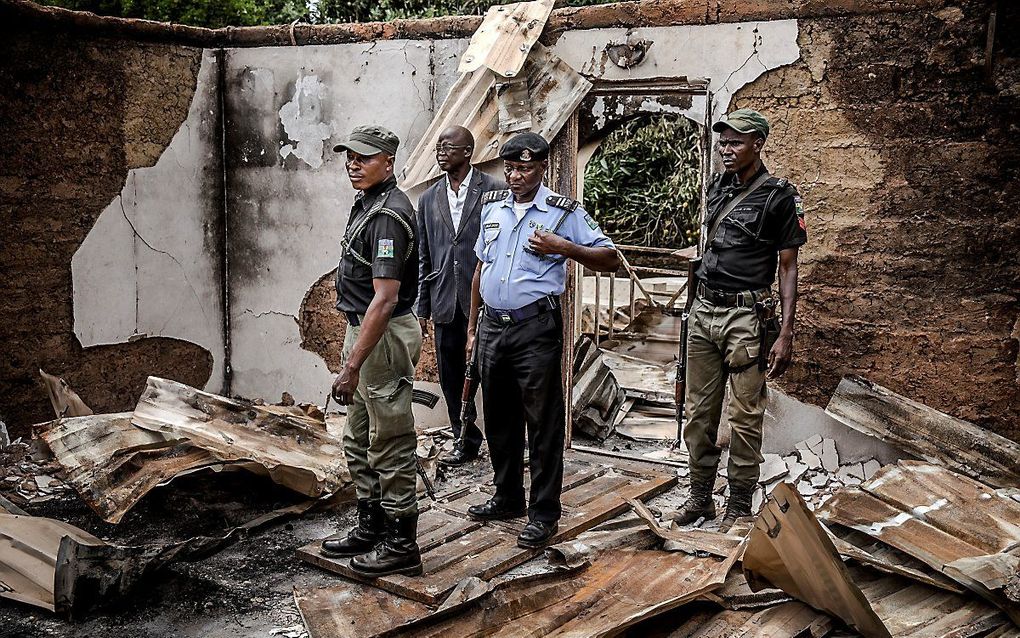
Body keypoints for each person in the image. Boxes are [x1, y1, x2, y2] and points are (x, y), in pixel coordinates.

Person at [465, 132, 620, 549]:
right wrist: (473, 327)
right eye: (510, 168)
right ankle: (507, 497)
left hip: (535, 330)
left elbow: (611, 258)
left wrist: (564, 247)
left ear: (542, 168)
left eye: (525, 168)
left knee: (543, 423)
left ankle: (544, 513)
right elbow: (481, 267)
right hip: (493, 327)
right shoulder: (493, 209)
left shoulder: (562, 212)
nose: (515, 176)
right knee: (498, 418)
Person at [676, 108, 807, 533]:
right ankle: (700, 498)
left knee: (745, 415)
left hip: (746, 317)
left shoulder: (779, 197)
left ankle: (737, 504)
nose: (726, 149)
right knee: (698, 413)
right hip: (704, 312)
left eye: (736, 142)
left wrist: (785, 332)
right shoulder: (716, 188)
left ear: (758, 145)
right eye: (723, 142)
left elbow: (788, 267)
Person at [319, 125, 424, 577]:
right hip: (363, 331)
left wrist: (353, 364)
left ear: (388, 161)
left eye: (364, 158)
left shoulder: (389, 215)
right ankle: (372, 524)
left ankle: (402, 543)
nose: (353, 165)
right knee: (358, 436)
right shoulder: (368, 204)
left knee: (389, 438)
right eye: (349, 157)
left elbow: (384, 298)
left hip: (380, 335)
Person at [416, 125, 505, 466]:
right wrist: (423, 309)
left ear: (468, 151)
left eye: (447, 146)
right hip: (444, 302)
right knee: (451, 378)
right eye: (438, 146)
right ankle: (464, 440)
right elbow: (425, 255)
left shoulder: (494, 191)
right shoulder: (428, 199)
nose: (440, 151)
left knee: (493, 376)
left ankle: (502, 445)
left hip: (486, 300)